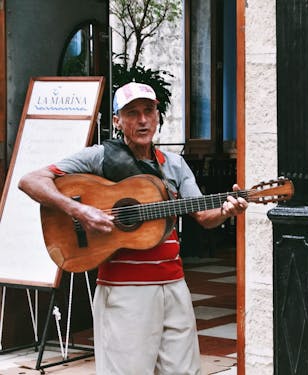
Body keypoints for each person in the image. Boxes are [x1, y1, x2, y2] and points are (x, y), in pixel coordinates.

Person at [18, 82, 248, 375]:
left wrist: (227, 211)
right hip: (124, 289)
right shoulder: (98, 157)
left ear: (157, 116)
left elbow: (204, 216)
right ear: (117, 121)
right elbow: (31, 180)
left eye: (148, 111)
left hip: (174, 285)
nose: (142, 120)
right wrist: (78, 210)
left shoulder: (174, 165)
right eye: (132, 113)